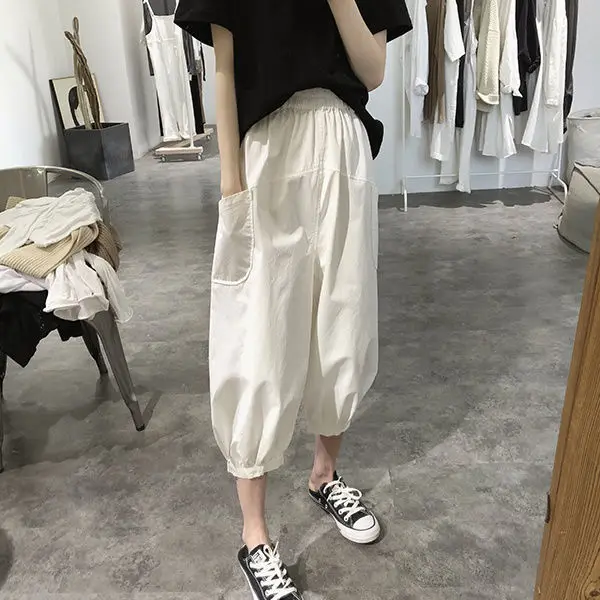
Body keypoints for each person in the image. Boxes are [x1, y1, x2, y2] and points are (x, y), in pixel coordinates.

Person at [175, 1, 411, 598]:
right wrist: (230, 181)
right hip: (268, 148)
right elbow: (224, 63)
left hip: (344, 147)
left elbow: (372, 70)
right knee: (259, 335)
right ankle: (255, 534)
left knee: (343, 324)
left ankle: (324, 475)